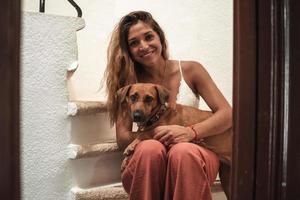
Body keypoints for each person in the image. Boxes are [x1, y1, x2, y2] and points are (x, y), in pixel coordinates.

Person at [104, 10, 232, 200]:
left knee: (183, 151)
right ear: (128, 50)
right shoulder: (130, 85)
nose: (144, 46)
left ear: (160, 37)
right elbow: (123, 139)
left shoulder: (191, 69)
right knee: (150, 149)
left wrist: (190, 132)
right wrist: (155, 135)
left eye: (148, 37)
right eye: (134, 43)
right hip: (149, 163)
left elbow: (228, 114)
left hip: (193, 156)